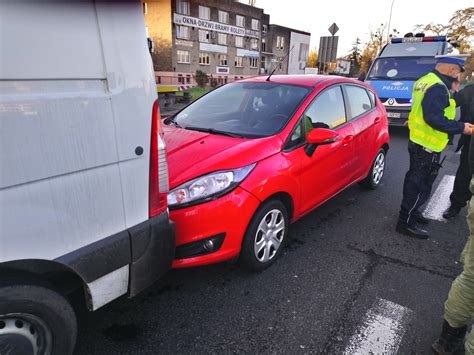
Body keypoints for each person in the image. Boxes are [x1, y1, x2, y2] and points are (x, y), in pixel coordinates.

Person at [397, 54, 472, 239]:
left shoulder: (425, 81)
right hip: (426, 146)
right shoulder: (438, 87)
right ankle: (405, 222)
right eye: (458, 72)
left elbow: (420, 109)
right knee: (418, 184)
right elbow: (434, 118)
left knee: (416, 182)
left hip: (420, 141)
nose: (459, 77)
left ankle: (413, 214)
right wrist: (461, 127)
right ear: (451, 70)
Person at [443, 84, 474, 219]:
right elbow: (450, 102)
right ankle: (456, 204)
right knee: (464, 174)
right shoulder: (470, 90)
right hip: (471, 140)